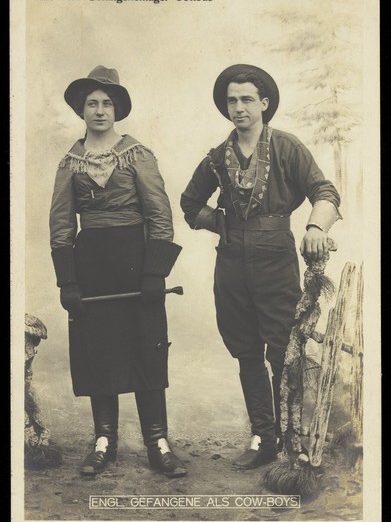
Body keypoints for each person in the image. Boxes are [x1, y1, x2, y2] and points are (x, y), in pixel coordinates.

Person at [180, 64, 341, 470]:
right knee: (246, 350)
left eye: (247, 99)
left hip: (275, 259)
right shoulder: (218, 157)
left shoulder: (287, 147)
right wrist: (220, 221)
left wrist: (315, 225)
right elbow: (189, 204)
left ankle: (293, 441)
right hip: (232, 264)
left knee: (282, 350)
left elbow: (325, 192)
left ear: (264, 103)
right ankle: (262, 438)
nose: (239, 108)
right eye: (232, 100)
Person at [50, 65, 187, 478]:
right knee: (99, 351)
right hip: (92, 267)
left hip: (136, 264)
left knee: (147, 347)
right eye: (92, 103)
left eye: (107, 103)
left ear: (117, 109)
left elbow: (161, 216)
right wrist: (69, 281)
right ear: (81, 110)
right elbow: (61, 226)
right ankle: (104, 440)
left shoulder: (138, 155)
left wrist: (154, 274)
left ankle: (158, 442)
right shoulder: (69, 163)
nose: (99, 110)